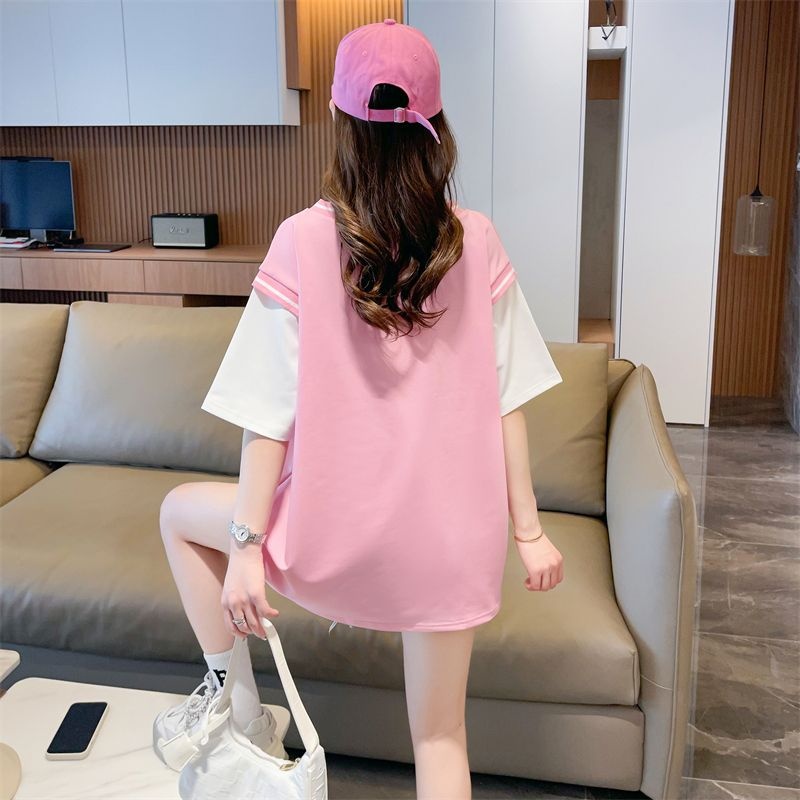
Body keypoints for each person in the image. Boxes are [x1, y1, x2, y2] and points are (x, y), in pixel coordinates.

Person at [153, 18, 565, 799]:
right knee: (441, 736)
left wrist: (247, 549)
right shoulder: (476, 241)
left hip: (332, 544)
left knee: (179, 512)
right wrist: (529, 531)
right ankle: (238, 712)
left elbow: (267, 416)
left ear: (338, 122)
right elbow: (508, 401)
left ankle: (237, 708)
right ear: (436, 126)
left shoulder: (301, 241)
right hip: (450, 548)